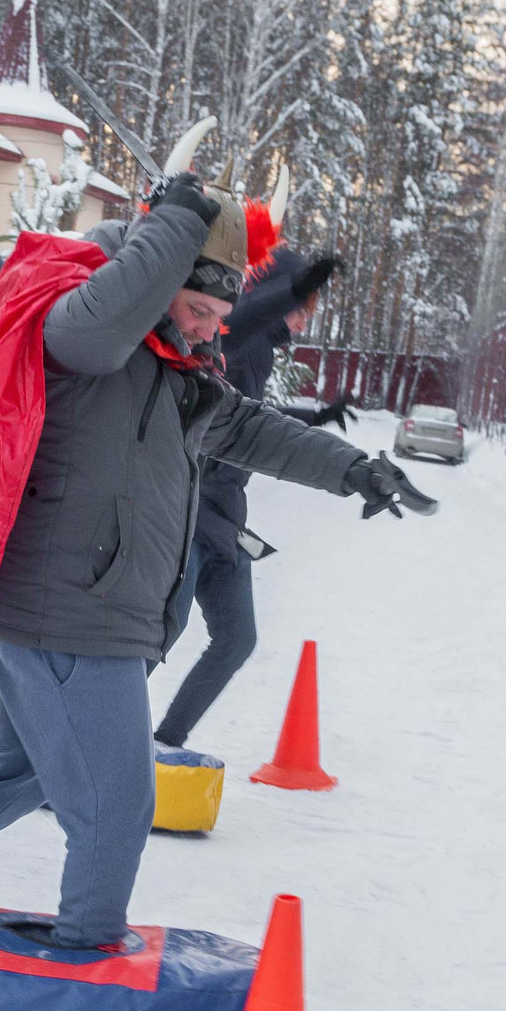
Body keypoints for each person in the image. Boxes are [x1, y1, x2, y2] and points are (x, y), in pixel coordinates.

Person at [0, 151, 435, 950]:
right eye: (198, 305)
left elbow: (243, 427)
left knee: (21, 768)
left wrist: (353, 469)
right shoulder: (76, 323)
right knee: (116, 805)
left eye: (218, 314)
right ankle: (86, 950)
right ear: (157, 272)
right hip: (64, 610)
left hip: (79, 604)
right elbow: (105, 320)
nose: (211, 328)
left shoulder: (178, 364)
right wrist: (170, 217)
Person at [153, 241, 338, 762]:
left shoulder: (260, 348)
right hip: (189, 509)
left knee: (236, 639)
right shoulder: (231, 331)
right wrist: (290, 291)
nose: (304, 321)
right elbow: (244, 321)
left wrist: (314, 421)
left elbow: (248, 416)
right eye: (303, 309)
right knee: (155, 634)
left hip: (227, 515)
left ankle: (164, 743)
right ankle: (81, 731)